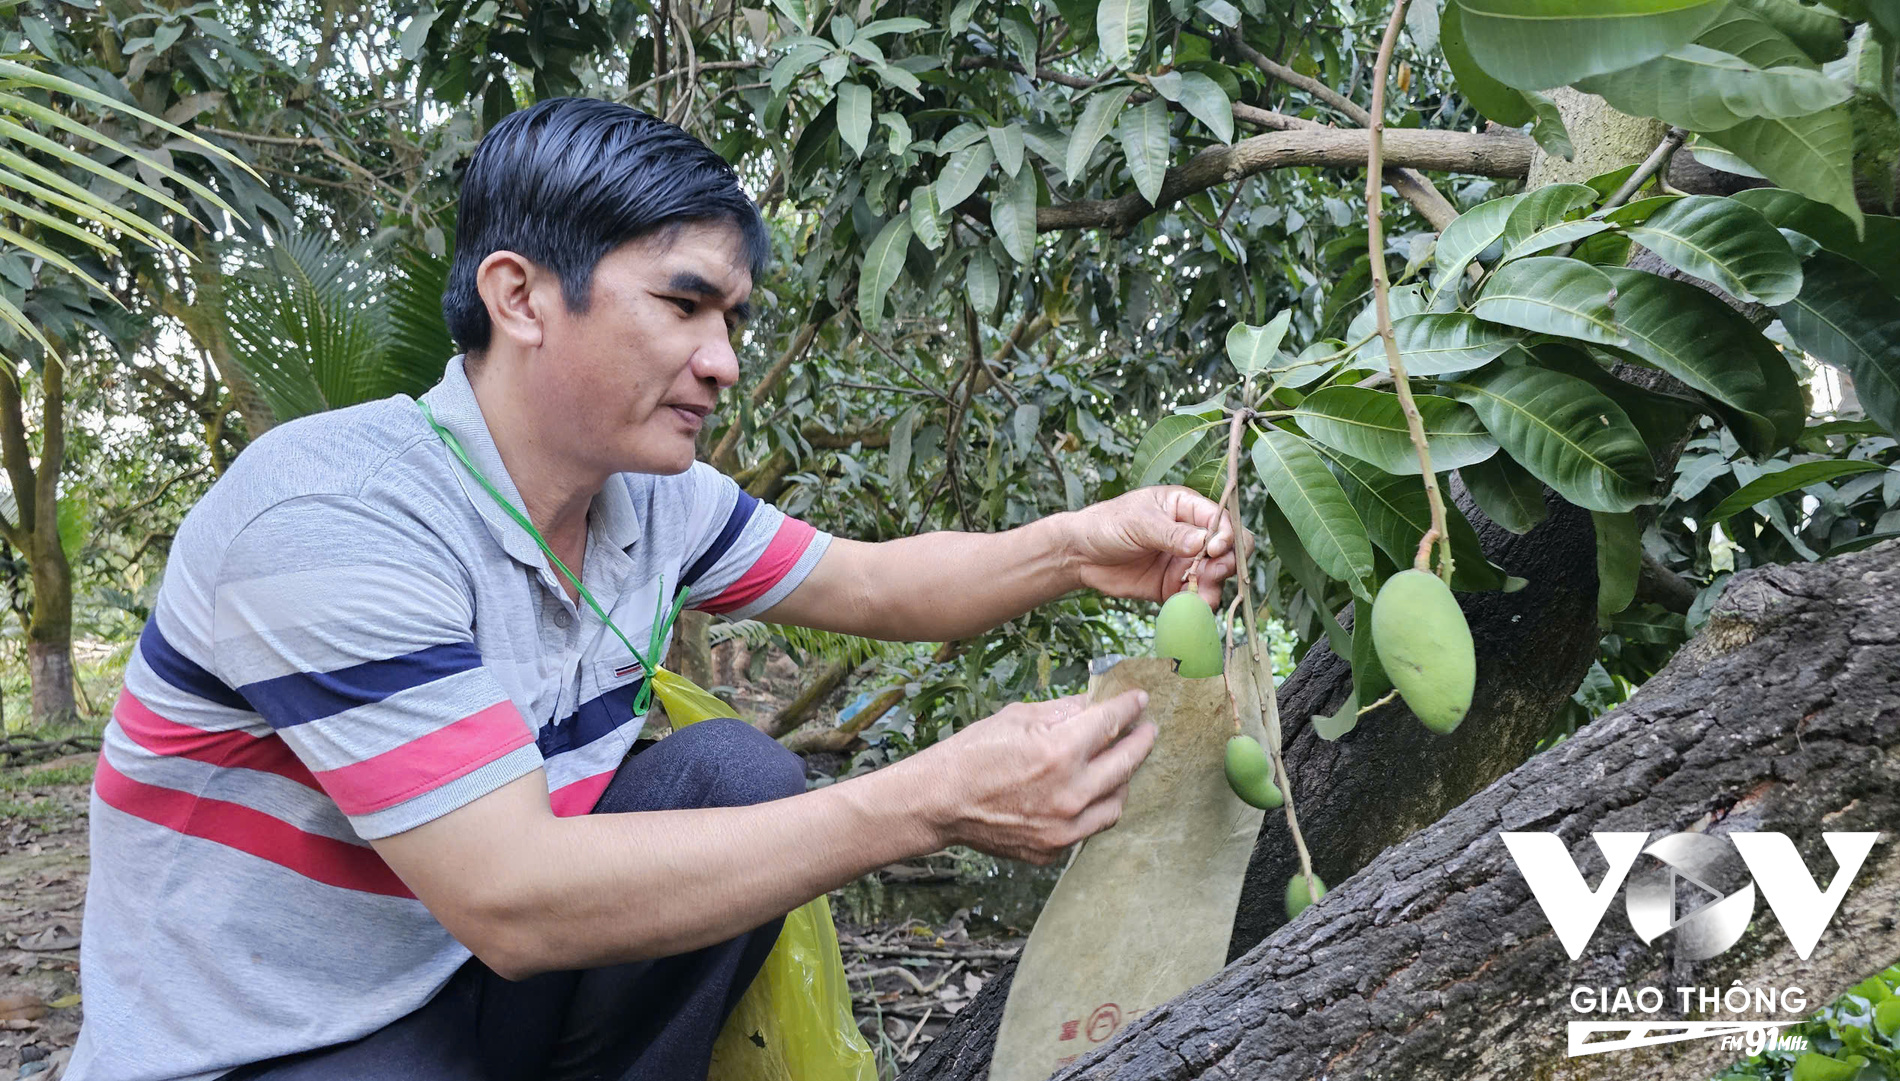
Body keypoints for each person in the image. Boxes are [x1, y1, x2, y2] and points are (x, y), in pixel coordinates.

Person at [69, 97, 1237, 1081]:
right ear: (521, 297)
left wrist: (1077, 546)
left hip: (459, 977)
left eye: (730, 317)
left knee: (733, 776)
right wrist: (922, 801)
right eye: (684, 306)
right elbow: (514, 897)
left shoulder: (649, 499)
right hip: (275, 1037)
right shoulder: (335, 519)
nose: (724, 359)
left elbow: (879, 587)